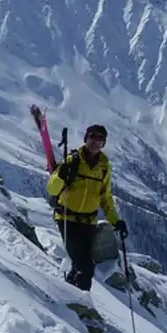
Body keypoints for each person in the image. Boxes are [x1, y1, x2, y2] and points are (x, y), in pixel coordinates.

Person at [45, 124, 128, 291]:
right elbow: (52, 189)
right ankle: (83, 306)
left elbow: (105, 197)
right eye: (93, 137)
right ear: (86, 138)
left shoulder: (104, 167)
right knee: (85, 267)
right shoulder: (72, 161)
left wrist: (115, 221)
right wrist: (61, 174)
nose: (96, 141)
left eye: (100, 139)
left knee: (79, 265)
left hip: (88, 222)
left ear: (103, 143)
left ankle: (68, 296)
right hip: (67, 218)